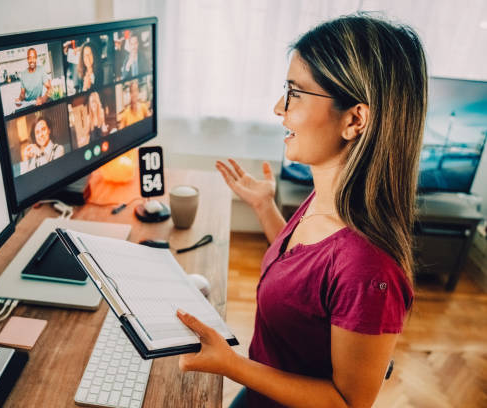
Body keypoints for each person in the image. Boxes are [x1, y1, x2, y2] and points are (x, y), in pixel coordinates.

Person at [175, 14, 427, 408]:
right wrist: (264, 208)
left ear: (355, 119)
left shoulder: (369, 267)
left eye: (295, 92)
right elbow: (308, 282)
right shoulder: (328, 199)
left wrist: (231, 365)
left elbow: (347, 402)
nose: (279, 107)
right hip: (261, 389)